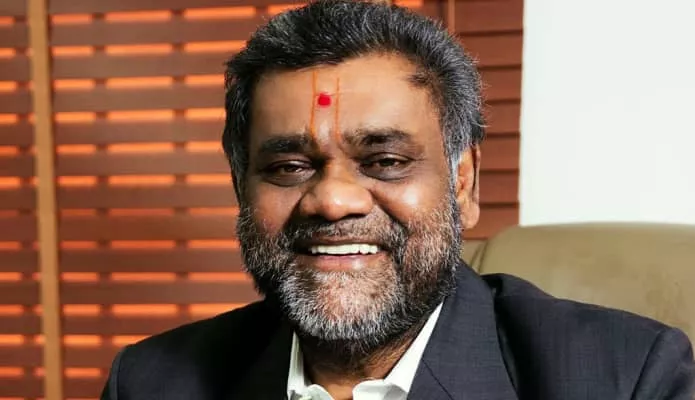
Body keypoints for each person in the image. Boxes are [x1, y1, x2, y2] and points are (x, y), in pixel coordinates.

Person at [100, 1, 695, 399]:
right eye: (288, 167)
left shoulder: (626, 377)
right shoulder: (151, 382)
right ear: (240, 187)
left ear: (463, 183)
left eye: (385, 161)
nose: (333, 201)